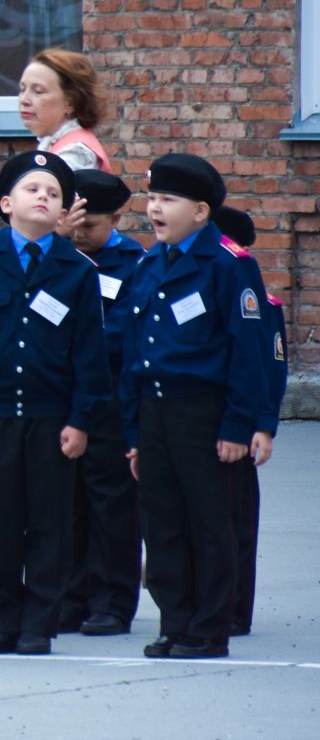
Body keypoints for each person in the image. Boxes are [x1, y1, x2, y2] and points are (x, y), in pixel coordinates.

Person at [0, 151, 109, 655]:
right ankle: (1, 620)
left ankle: (39, 622)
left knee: (50, 522)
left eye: (54, 193)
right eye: (34, 189)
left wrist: (81, 420)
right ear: (6, 203)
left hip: (50, 416)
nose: (44, 197)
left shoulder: (76, 270)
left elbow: (89, 353)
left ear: (63, 212)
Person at [119, 156, 272, 660]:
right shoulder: (149, 263)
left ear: (201, 211)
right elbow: (133, 352)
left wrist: (238, 425)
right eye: (153, 198)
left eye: (168, 200)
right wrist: (136, 432)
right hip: (156, 411)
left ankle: (209, 628)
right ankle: (174, 622)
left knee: (209, 523)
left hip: (203, 413)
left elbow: (247, 352)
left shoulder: (229, 265)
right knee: (162, 523)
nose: (155, 209)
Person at [61, 169, 144, 636]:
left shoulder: (132, 263)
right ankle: (71, 598)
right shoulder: (58, 258)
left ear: (114, 218)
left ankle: (112, 602)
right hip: (61, 398)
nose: (80, 234)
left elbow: (120, 332)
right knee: (66, 503)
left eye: (89, 226)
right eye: (73, 223)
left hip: (109, 398)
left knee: (111, 504)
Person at [0, 48, 112, 228]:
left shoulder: (76, 151)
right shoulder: (54, 144)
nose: (24, 99)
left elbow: (28, 217)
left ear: (70, 102)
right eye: (22, 89)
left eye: (38, 91)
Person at [208, 204, 282, 638]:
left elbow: (271, 366)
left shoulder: (262, 302)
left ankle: (236, 609)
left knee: (236, 519)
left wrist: (263, 425)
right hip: (199, 419)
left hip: (240, 421)